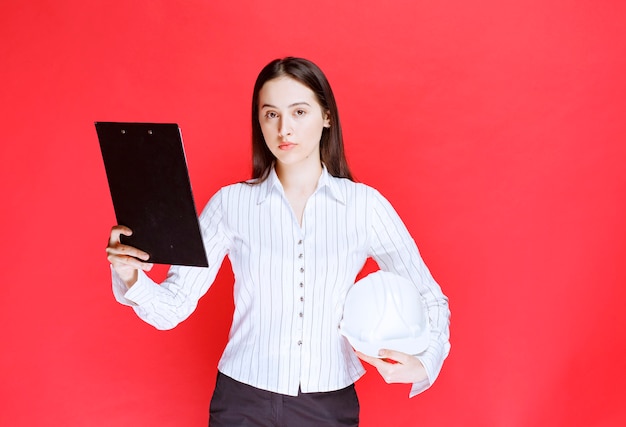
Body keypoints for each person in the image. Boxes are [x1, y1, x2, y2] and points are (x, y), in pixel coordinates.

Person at [106, 57, 450, 427]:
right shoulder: (230, 203)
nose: (285, 128)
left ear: (327, 117)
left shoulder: (364, 206)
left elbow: (428, 295)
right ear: (260, 121)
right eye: (271, 114)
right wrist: (130, 276)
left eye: (299, 111)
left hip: (328, 406)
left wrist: (426, 360)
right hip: (241, 401)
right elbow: (172, 308)